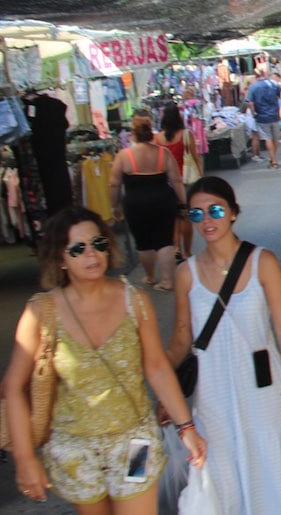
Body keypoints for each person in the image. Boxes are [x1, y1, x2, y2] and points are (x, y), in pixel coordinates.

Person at [2, 206, 207, 511]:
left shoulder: (134, 301)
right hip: (74, 453)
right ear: (60, 259)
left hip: (135, 443)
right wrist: (24, 457)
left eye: (98, 244)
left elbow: (157, 367)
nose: (92, 254)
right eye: (78, 248)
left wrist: (186, 427)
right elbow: (13, 387)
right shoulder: (42, 312)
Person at [166, 176, 281, 513]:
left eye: (215, 210)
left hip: (264, 391)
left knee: (270, 467)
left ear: (233, 212)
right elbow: (180, 338)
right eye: (196, 214)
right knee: (222, 472)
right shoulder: (186, 273)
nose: (206, 220)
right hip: (212, 392)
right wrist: (164, 384)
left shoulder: (262, 262)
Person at [109, 110, 185, 291]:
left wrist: (114, 205)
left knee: (143, 242)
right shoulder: (163, 153)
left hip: (135, 203)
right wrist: (183, 203)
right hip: (163, 201)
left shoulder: (124, 155)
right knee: (165, 241)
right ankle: (168, 280)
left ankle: (150, 276)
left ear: (133, 133)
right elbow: (176, 180)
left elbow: (114, 184)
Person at [155, 103, 202, 260]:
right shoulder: (186, 134)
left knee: (173, 218)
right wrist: (201, 177)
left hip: (166, 182)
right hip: (185, 181)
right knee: (186, 217)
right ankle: (187, 251)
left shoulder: (158, 138)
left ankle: (176, 247)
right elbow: (195, 158)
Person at [246, 69, 281, 169]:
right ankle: (273, 158)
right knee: (275, 138)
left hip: (262, 116)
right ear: (264, 74)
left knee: (268, 138)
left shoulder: (253, 87)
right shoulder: (273, 84)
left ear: (255, 76)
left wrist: (254, 113)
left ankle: (273, 160)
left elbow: (250, 102)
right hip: (274, 114)